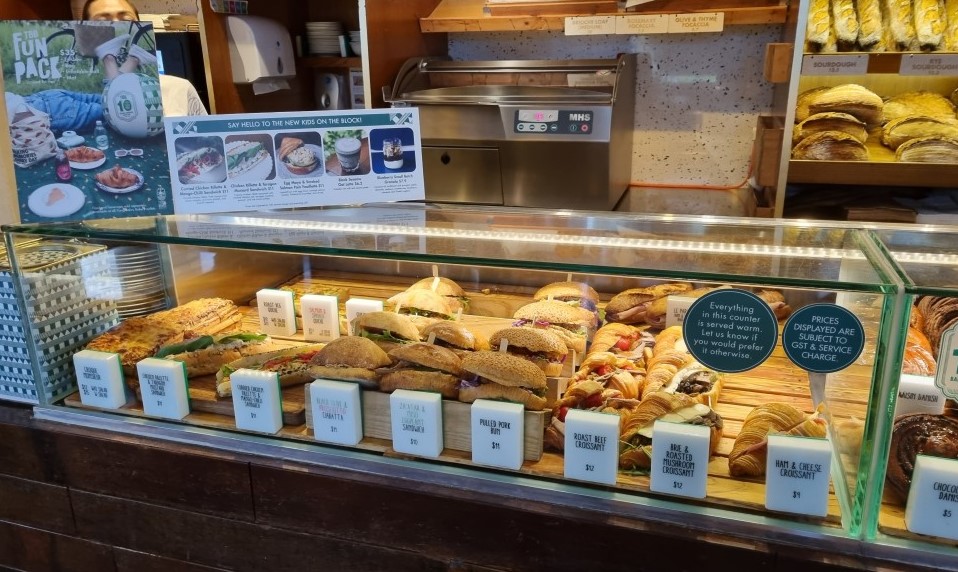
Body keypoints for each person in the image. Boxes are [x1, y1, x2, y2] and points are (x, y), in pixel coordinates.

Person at [83, 0, 208, 117]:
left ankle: (116, 58)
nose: (116, 24)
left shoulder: (178, 88)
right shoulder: (81, 98)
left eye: (126, 19)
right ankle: (126, 58)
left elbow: (205, 132)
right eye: (101, 21)